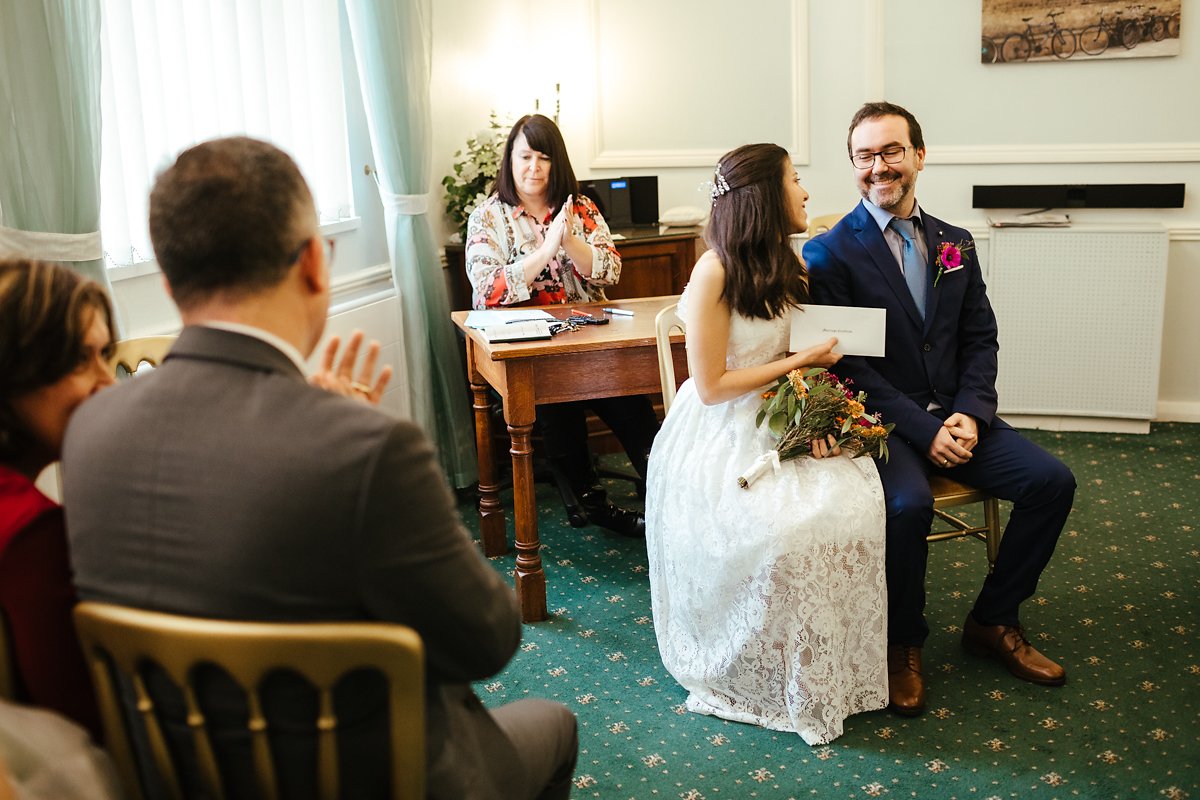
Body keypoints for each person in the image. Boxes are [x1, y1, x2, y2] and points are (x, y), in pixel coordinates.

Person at [63, 136, 577, 799]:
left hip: (179, 777)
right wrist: (360, 440)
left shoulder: (88, 434)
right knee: (556, 724)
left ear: (168, 281)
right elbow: (487, 641)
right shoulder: (367, 451)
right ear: (313, 263)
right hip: (372, 778)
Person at [803, 102, 1077, 717]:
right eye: (865, 156)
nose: (880, 167)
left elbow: (980, 337)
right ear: (853, 166)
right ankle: (903, 644)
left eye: (892, 151)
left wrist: (972, 415)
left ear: (919, 156)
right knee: (907, 504)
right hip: (885, 424)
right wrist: (926, 431)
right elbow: (847, 367)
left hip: (959, 414)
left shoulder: (955, 243)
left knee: (1052, 482)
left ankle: (993, 618)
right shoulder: (829, 256)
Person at [645, 143, 888, 746]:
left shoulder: (789, 261)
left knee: (854, 504)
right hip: (723, 431)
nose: (806, 192)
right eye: (796, 180)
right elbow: (709, 387)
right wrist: (800, 360)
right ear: (764, 197)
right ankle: (761, 663)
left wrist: (817, 408)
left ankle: (824, 660)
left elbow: (798, 352)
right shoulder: (715, 270)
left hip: (781, 415)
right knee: (787, 530)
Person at [466, 113, 659, 537]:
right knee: (560, 416)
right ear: (510, 160)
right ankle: (595, 504)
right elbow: (488, 290)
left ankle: (665, 491)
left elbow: (609, 271)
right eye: (525, 156)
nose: (533, 167)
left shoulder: (582, 208)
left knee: (638, 415)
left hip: (595, 344)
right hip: (534, 351)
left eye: (543, 157)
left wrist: (568, 237)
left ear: (557, 163)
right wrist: (545, 249)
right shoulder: (487, 218)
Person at [0, 258, 111, 742]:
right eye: (79, 360)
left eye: (105, 354)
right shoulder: (31, 532)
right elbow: (84, 714)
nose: (107, 381)